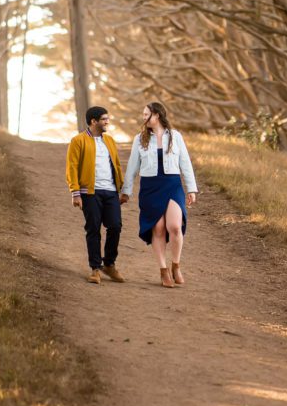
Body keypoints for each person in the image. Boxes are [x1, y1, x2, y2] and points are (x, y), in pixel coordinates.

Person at [120, 102, 198, 288]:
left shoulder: (175, 136)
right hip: (150, 187)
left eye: (146, 114)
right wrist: (126, 191)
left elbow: (185, 163)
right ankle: (163, 270)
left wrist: (191, 188)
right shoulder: (140, 139)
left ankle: (176, 265)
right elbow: (132, 167)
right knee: (158, 228)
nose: (143, 117)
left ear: (156, 115)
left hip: (172, 185)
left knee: (175, 226)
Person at [65, 106, 126, 284]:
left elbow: (117, 165)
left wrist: (122, 189)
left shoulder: (110, 141)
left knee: (115, 226)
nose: (107, 122)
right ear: (93, 121)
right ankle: (95, 268)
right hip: (90, 193)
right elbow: (72, 167)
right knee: (93, 229)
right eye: (104, 119)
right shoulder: (78, 140)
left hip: (111, 191)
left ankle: (109, 264)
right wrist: (75, 193)